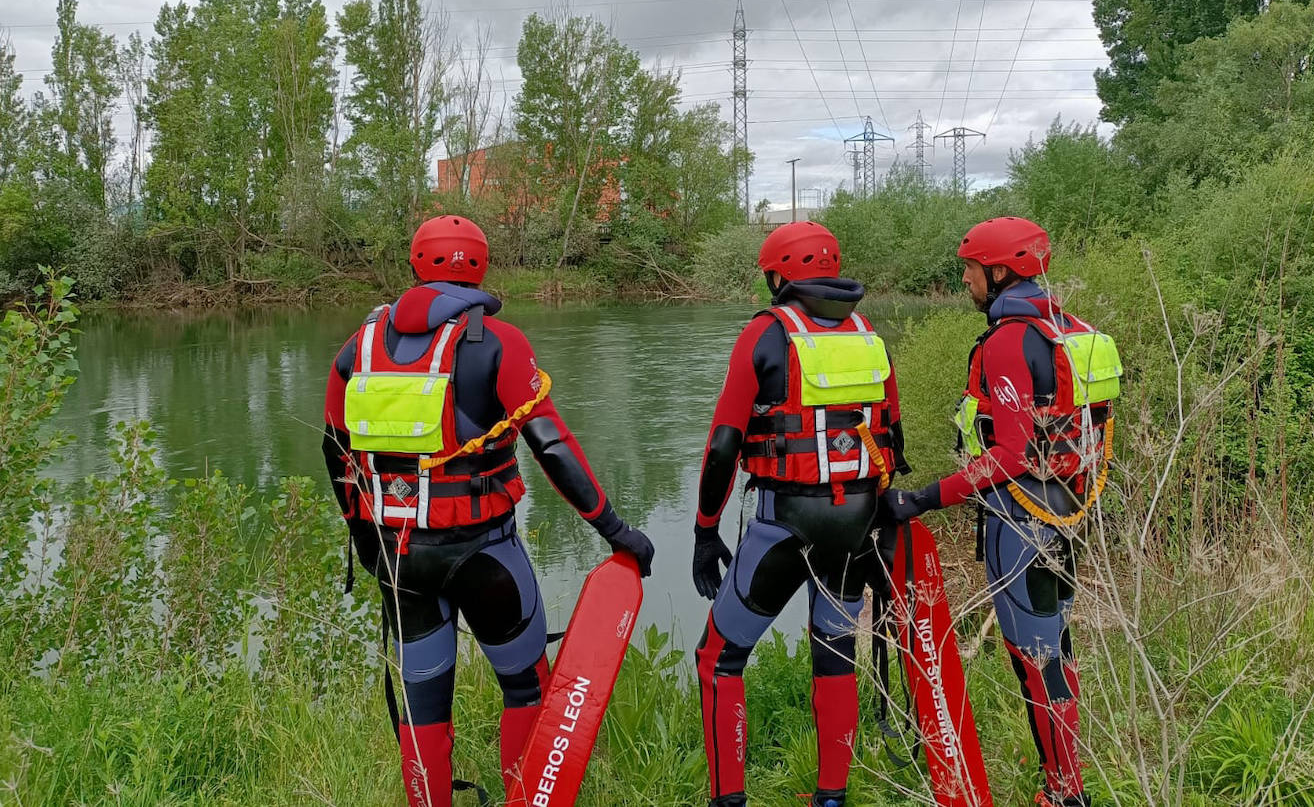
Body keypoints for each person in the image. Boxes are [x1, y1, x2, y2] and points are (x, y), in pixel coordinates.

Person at [322, 214, 654, 807]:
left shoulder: (358, 347)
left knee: (423, 704)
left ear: (415, 264)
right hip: (485, 552)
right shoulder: (498, 342)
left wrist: (364, 536)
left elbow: (335, 449)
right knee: (527, 690)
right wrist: (613, 528)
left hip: (400, 559)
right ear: (481, 267)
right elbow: (550, 444)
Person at [885, 216, 1120, 807]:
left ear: (998, 271)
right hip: (1067, 511)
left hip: (1019, 524)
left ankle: (1066, 794)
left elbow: (1012, 452)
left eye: (969, 269)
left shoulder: (1010, 340)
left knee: (1035, 657)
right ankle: (1063, 784)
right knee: (1056, 649)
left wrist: (922, 498)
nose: (965, 281)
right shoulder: (1065, 328)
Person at [692, 221, 908, 807]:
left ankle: (728, 800)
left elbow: (722, 445)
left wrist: (705, 531)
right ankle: (831, 798)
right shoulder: (870, 336)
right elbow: (891, 435)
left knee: (718, 659)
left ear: (779, 275)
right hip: (857, 527)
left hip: (784, 524)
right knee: (835, 653)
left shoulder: (765, 334)